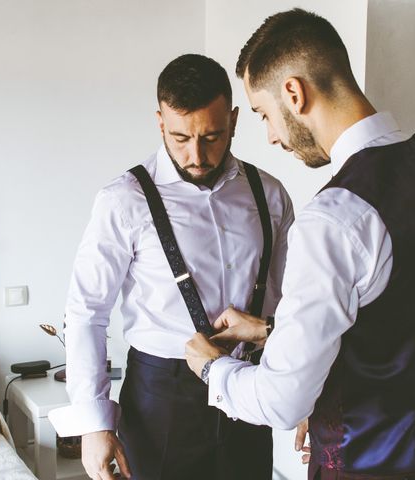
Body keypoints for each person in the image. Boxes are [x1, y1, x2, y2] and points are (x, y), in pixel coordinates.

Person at [185, 9, 415, 480]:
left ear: (294, 93)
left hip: (365, 467)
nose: (271, 137)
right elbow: (398, 319)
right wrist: (268, 329)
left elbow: (282, 401)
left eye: (264, 115)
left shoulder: (335, 218)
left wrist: (211, 369)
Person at [48, 53, 294, 480]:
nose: (196, 154)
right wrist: (94, 423)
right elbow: (87, 310)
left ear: (233, 120)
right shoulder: (124, 199)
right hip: (162, 395)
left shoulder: (269, 194)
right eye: (180, 137)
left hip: (249, 386)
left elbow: (294, 299)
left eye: (212, 136)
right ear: (160, 121)